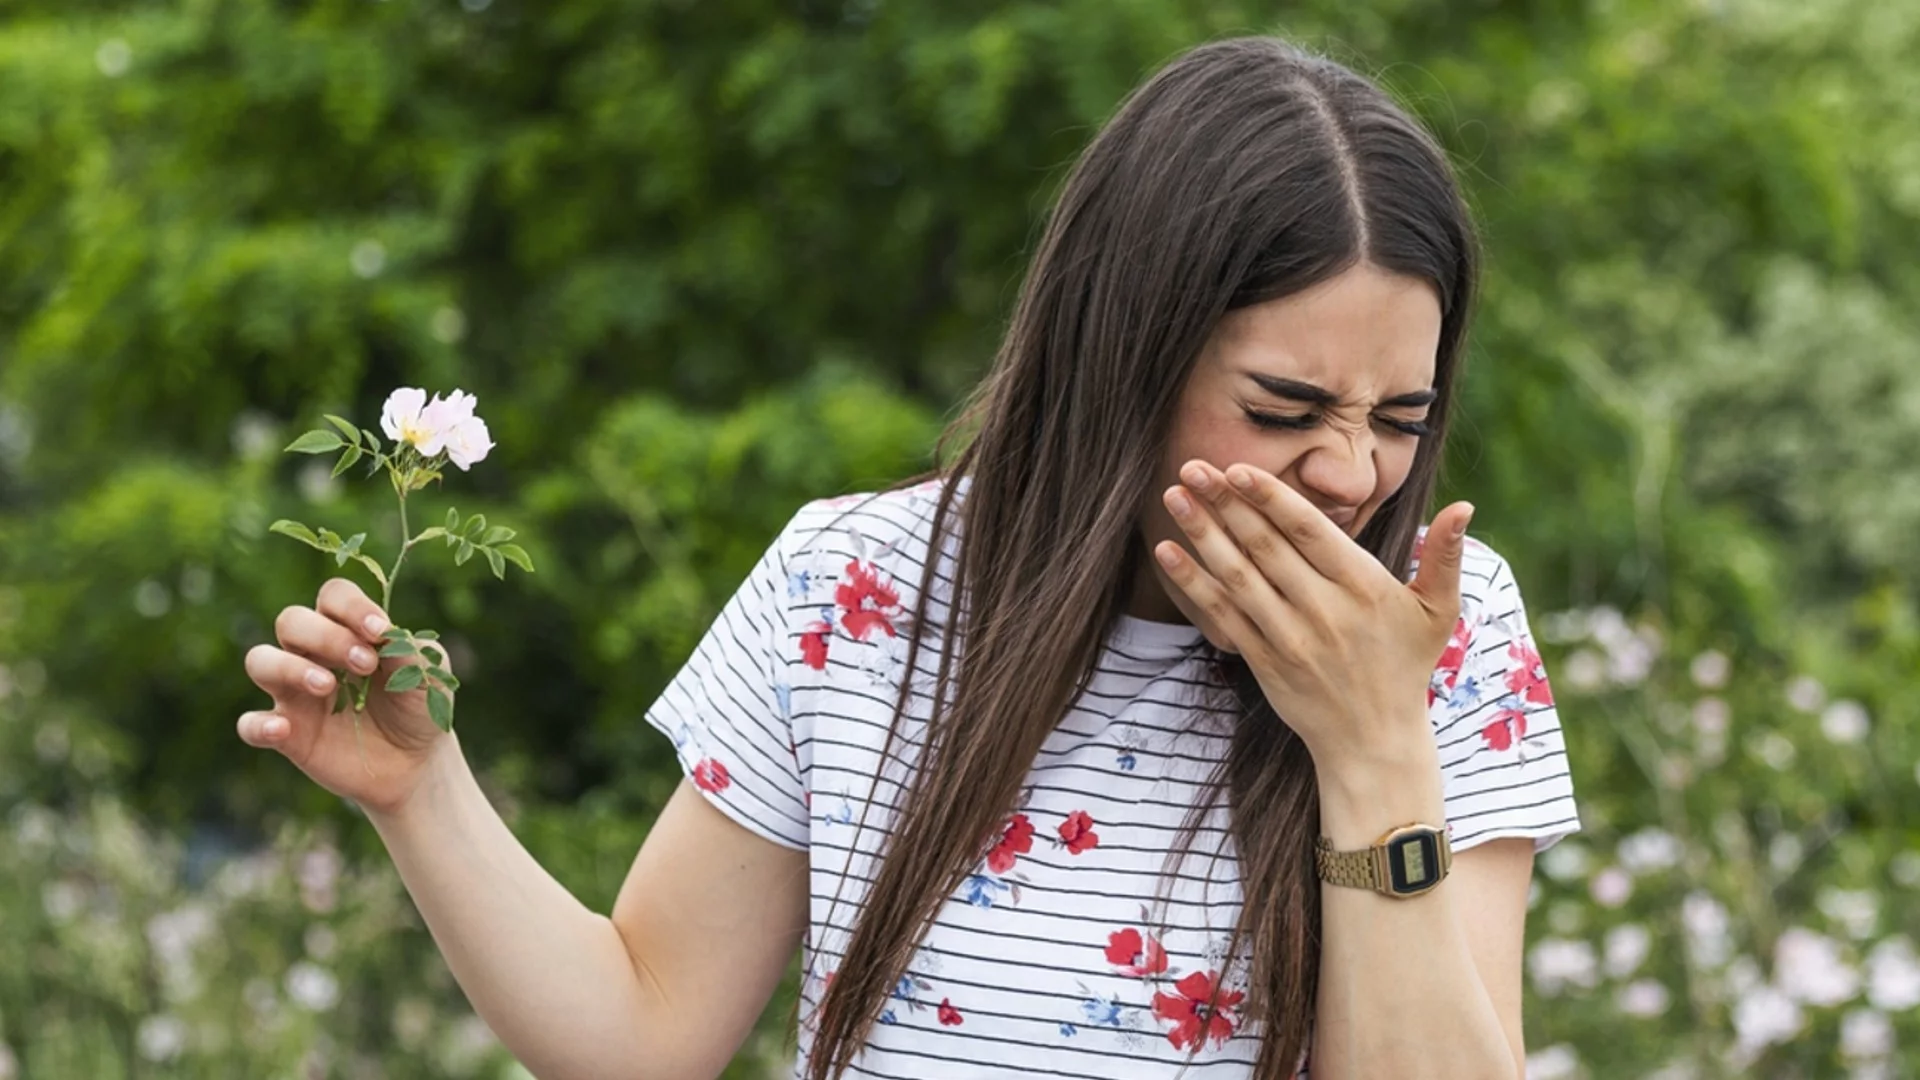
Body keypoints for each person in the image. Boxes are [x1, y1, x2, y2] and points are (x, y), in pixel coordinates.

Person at [237, 36, 1577, 1080]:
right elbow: (641, 1036)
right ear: (1125, 360)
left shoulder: (1447, 628)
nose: (1352, 474)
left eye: (1399, 418)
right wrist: (423, 795)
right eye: (1285, 410)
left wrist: (1372, 748)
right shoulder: (859, 584)